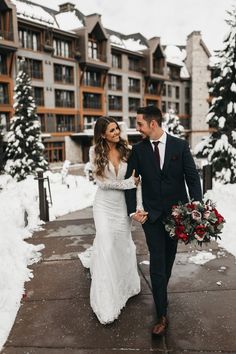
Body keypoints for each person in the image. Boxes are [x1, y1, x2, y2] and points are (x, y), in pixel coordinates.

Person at [125, 106, 202, 337]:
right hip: (152, 218)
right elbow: (130, 181)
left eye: (139, 124)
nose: (136, 128)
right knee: (157, 262)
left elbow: (192, 177)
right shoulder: (138, 150)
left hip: (177, 217)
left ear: (153, 124)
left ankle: (161, 294)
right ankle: (161, 314)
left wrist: (196, 208)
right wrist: (132, 211)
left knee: (168, 260)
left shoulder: (180, 146)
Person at [79, 116, 141, 324]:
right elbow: (101, 181)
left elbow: (136, 180)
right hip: (104, 205)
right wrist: (127, 184)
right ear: (103, 134)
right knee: (106, 243)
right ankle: (106, 299)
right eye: (112, 130)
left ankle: (125, 286)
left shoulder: (127, 150)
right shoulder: (94, 151)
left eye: (117, 129)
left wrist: (135, 196)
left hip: (122, 206)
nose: (116, 133)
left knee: (121, 244)